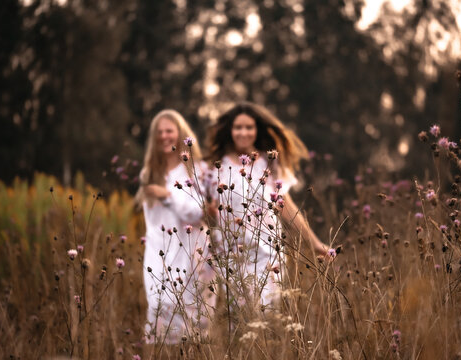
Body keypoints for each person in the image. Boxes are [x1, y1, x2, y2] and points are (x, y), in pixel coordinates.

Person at [205, 102, 329, 309]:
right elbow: (207, 213)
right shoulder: (216, 167)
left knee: (266, 311)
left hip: (267, 251)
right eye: (238, 127)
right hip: (231, 253)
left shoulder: (269, 163)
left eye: (249, 127)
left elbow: (286, 207)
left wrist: (314, 243)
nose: (243, 132)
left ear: (257, 130)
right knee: (240, 315)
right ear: (230, 131)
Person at [136, 109, 214, 346]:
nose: (164, 136)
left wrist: (167, 195)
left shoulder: (196, 170)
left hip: (192, 253)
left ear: (180, 134)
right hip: (157, 253)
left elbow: (199, 212)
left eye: (169, 130)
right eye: (159, 132)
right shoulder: (149, 173)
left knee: (192, 324)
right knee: (159, 314)